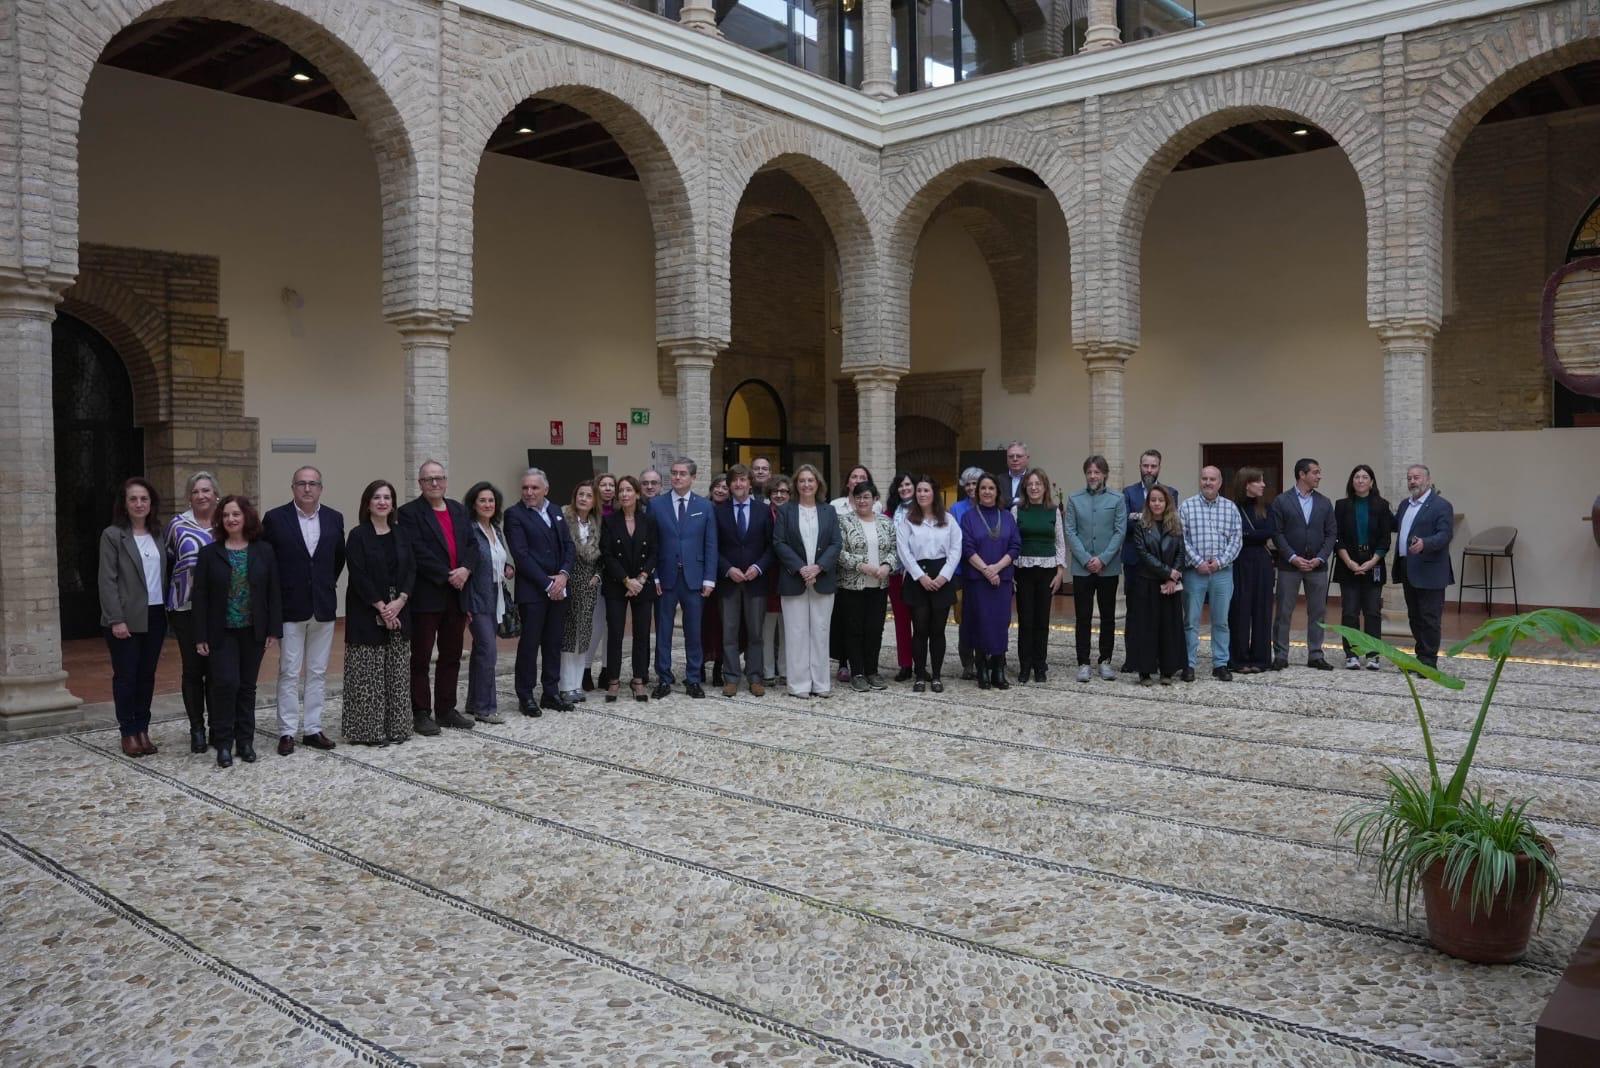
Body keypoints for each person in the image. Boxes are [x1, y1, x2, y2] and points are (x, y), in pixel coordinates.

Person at [191, 495, 281, 767]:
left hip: (253, 630)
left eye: (236, 514)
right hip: (222, 631)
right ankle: (224, 742)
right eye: (226, 515)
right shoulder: (209, 553)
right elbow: (200, 597)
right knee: (225, 684)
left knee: (247, 687)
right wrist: (200, 635)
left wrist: (273, 629)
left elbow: (273, 592)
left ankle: (245, 741)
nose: (231, 519)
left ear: (246, 518)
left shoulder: (263, 551)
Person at [261, 466, 344, 756]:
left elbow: (337, 559)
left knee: (318, 670)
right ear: (292, 488)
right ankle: (286, 731)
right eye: (301, 484)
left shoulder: (334, 518)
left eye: (313, 484)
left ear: (321, 488)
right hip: (289, 605)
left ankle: (312, 728)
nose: (307, 489)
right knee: (289, 670)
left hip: (322, 605)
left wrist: (323, 585)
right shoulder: (274, 519)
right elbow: (267, 561)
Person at [397, 459, 481, 731]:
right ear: (420, 483)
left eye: (439, 478)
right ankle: (420, 712)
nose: (434, 483)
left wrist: (466, 569)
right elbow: (417, 551)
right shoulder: (409, 513)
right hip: (427, 594)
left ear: (446, 481)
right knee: (420, 657)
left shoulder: (458, 509)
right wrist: (449, 574)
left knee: (451, 655)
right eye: (428, 479)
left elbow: (471, 544)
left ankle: (446, 708)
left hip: (457, 595)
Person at [99, 477, 168, 758]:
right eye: (133, 499)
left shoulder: (159, 533)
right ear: (125, 504)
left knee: (146, 676)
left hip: (155, 613)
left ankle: (143, 728)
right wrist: (116, 618)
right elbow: (107, 580)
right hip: (126, 616)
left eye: (144, 499)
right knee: (127, 676)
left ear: (151, 504)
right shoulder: (113, 535)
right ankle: (128, 731)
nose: (139, 504)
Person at [343, 480, 416, 746]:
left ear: (393, 504)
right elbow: (358, 573)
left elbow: (411, 570)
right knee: (368, 673)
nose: (382, 502)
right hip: (367, 609)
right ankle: (368, 731)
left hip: (400, 608)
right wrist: (381, 607)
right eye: (377, 497)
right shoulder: (358, 535)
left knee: (397, 671)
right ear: (367, 503)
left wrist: (401, 600)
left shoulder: (402, 533)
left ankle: (398, 728)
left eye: (387, 497)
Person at [505, 467, 575, 714]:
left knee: (553, 643)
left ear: (546, 489)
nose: (529, 492)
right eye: (525, 487)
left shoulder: (556, 511)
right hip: (533, 592)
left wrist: (564, 576)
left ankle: (551, 692)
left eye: (534, 487)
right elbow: (521, 555)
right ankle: (525, 695)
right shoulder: (514, 515)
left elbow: (568, 546)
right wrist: (548, 584)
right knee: (530, 645)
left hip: (559, 589)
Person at [650, 457, 718, 699]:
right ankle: (664, 678)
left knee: (694, 630)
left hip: (695, 578)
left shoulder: (704, 506)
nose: (677, 477)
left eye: (682, 474)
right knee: (664, 630)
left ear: (693, 478)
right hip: (665, 577)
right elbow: (652, 546)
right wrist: (654, 576)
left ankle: (693, 678)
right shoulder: (657, 505)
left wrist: (709, 578)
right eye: (674, 473)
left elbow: (711, 544)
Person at [773, 464, 841, 698]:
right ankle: (799, 684)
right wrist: (801, 568)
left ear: (818, 484)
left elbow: (836, 544)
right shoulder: (786, 511)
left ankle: (821, 684)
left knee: (821, 632)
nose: (806, 484)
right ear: (796, 485)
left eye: (810, 480)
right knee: (796, 632)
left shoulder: (828, 511)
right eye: (802, 480)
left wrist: (819, 567)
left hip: (822, 579)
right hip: (795, 578)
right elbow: (779, 542)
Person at [164, 471, 219, 753]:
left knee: (216, 670)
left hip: (219, 610)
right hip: (185, 608)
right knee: (193, 669)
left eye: (206, 490)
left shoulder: (226, 523)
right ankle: (196, 728)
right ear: (189, 496)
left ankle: (216, 728)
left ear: (215, 495)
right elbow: (168, 562)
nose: (201, 495)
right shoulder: (177, 525)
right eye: (196, 491)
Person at [1269, 457, 1337, 671]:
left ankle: (1316, 654)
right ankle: (1280, 655)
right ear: (1302, 474)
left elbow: (1331, 533)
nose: (1319, 476)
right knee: (1283, 611)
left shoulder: (1324, 502)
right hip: (1289, 566)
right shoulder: (1281, 501)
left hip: (1317, 567)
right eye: (1315, 472)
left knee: (1318, 612)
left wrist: (1320, 557)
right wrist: (1292, 557)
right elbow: (1277, 533)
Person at [895, 475, 961, 691]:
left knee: (937, 630)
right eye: (919, 491)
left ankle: (937, 676)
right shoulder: (908, 522)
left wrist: (944, 576)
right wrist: (920, 576)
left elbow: (955, 549)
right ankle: (921, 675)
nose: (922, 494)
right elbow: (903, 551)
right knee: (920, 629)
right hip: (918, 578)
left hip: (942, 575)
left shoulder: (949, 520)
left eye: (926, 490)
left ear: (934, 494)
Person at [1064, 455, 1126, 683]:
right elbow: (1069, 531)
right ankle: (1083, 662)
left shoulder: (1117, 499)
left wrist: (1103, 559)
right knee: (1083, 616)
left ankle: (1105, 660)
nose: (1093, 476)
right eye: (1089, 472)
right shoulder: (1074, 499)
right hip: (1082, 569)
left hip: (1108, 569)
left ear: (1105, 475)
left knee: (1108, 616)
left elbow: (1120, 531)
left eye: (1097, 472)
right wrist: (1085, 558)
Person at [1178, 465, 1242, 682]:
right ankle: (1188, 664)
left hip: (1222, 573)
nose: (1207, 482)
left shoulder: (1230, 508)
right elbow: (1181, 539)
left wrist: (1219, 562)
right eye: (1204, 478)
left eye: (1212, 479)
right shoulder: (1186, 507)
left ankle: (1220, 663)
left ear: (1220, 482)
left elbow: (1236, 540)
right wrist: (1198, 562)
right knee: (1191, 621)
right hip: (1194, 573)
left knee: (1221, 620)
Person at [715, 464, 773, 697]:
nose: (739, 484)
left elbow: (771, 545)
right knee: (729, 632)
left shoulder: (763, 510)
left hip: (755, 581)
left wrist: (758, 567)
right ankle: (731, 677)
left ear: (750, 483)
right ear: (729, 485)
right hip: (729, 582)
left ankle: (755, 676)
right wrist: (727, 569)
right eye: (734, 481)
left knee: (755, 633)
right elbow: (713, 547)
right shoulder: (718, 511)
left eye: (743, 480)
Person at [960, 473, 1021, 690]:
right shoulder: (968, 517)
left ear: (997, 492)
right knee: (980, 623)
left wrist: (996, 568)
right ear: (977, 492)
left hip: (1001, 580)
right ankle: (982, 669)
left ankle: (998, 668)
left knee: (999, 624)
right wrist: (986, 570)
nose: (987, 492)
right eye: (983, 488)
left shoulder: (1007, 517)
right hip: (977, 580)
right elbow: (967, 548)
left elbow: (1015, 546)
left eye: (991, 488)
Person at [1120, 450, 1178, 673]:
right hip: (1135, 563)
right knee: (1135, 613)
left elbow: (1170, 525)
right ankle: (1133, 659)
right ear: (1140, 466)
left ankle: (1158, 659)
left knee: (1161, 615)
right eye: (1145, 466)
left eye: (1153, 466)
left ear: (1159, 467)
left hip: (1162, 565)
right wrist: (1146, 519)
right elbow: (1125, 525)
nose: (1149, 470)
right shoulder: (1128, 493)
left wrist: (1139, 517)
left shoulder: (1170, 492)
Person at [1393, 463, 1455, 669]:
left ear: (1428, 480)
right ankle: (1421, 656)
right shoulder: (1404, 505)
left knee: (1429, 618)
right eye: (1409, 478)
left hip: (1430, 571)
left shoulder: (1441, 505)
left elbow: (1445, 535)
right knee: (1415, 616)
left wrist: (1425, 544)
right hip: (1408, 569)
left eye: (1417, 477)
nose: (1412, 481)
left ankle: (1429, 661)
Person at [601, 475, 657, 702]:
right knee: (615, 633)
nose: (624, 494)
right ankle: (613, 680)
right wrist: (627, 580)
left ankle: (638, 679)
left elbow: (655, 551)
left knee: (642, 634)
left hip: (643, 584)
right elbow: (607, 554)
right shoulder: (610, 521)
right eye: (620, 490)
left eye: (628, 490)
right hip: (617, 584)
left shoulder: (649, 521)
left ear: (636, 494)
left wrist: (641, 578)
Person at [838, 481, 897, 691]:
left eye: (866, 497)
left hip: (879, 585)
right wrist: (861, 565)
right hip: (852, 585)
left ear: (875, 500)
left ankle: (872, 670)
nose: (862, 501)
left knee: (874, 629)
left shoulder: (886, 522)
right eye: (858, 497)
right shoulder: (843, 522)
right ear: (853, 500)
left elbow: (894, 549)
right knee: (854, 630)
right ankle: (858, 672)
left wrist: (887, 566)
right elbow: (839, 552)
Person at [1125, 485, 1186, 686]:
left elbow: (1180, 552)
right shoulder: (1142, 525)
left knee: (1169, 627)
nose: (1157, 503)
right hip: (1147, 582)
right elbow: (1143, 555)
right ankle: (1145, 672)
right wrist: (1167, 572)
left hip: (1170, 586)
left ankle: (1167, 670)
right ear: (1148, 503)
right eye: (1153, 500)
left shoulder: (1175, 524)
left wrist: (1172, 578)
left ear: (1167, 502)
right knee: (1146, 628)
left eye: (1160, 500)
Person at [1333, 464, 1393, 670]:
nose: (1360, 480)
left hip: (1373, 564)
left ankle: (1373, 655)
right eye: (1356, 477)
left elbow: (1386, 539)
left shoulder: (1382, 505)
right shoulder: (1341, 505)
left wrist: (1372, 561)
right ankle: (1352, 654)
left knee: (1372, 612)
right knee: (1349, 612)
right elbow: (1336, 537)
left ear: (1372, 482)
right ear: (1352, 481)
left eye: (1364, 477)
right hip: (1347, 564)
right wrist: (1349, 562)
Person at [463, 481, 513, 723]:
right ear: (474, 503)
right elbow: (466, 567)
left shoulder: (496, 529)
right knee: (488, 651)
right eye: (482, 500)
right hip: (476, 596)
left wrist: (507, 568)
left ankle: (474, 702)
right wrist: (466, 604)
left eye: (491, 500)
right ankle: (486, 709)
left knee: (481, 651)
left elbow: (498, 560)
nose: (487, 504)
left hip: (496, 595)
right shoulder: (469, 530)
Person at [1012, 468, 1066, 684]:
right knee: (1025, 620)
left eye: (1038, 484)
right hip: (1023, 570)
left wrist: (1060, 571)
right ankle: (1024, 665)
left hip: (1047, 571)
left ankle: (1040, 665)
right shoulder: (1017, 511)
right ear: (1025, 487)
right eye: (1030, 484)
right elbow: (1012, 542)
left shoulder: (1054, 511)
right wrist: (1012, 572)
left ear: (1045, 487)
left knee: (1042, 620)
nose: (1034, 487)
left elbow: (1060, 542)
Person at [1227, 467, 1277, 674]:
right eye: (1259, 481)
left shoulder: (1266, 507)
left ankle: (1261, 658)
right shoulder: (1232, 507)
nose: (1263, 485)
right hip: (1239, 561)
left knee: (1262, 610)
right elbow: (1233, 534)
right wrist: (1254, 534)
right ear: (1247, 484)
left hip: (1262, 562)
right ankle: (1238, 659)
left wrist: (1248, 534)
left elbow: (1270, 531)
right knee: (1239, 610)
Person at [829, 465, 875, 683]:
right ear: (847, 482)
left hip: (870, 576)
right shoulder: (835, 506)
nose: (857, 480)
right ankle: (844, 662)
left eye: (862, 477)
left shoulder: (876, 507)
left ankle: (865, 664)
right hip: (841, 571)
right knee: (844, 620)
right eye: (854, 476)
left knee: (864, 621)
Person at [559, 481, 604, 704]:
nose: (584, 498)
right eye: (580, 494)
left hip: (589, 585)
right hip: (569, 581)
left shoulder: (597, 524)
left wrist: (598, 575)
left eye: (588, 495)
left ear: (594, 500)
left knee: (583, 634)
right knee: (568, 635)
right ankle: (565, 685)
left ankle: (576, 684)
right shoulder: (564, 520)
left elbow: (602, 556)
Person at [949, 466, 983, 680]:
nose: (971, 487)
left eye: (975, 483)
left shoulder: (990, 506)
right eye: (968, 484)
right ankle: (967, 663)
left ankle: (984, 658)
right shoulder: (956, 509)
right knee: (964, 618)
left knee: (982, 616)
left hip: (983, 572)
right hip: (961, 571)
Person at [760, 475, 792, 688]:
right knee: (767, 626)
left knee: (787, 626)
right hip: (766, 576)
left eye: (783, 492)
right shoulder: (762, 514)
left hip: (789, 575)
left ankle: (786, 670)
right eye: (775, 492)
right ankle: (767, 671)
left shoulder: (795, 513)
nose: (779, 495)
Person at [885, 472, 917, 682]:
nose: (904, 488)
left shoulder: (925, 509)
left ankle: (921, 663)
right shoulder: (889, 513)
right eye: (900, 485)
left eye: (908, 484)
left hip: (920, 573)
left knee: (922, 621)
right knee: (902, 621)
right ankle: (905, 664)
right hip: (896, 574)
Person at [702, 473, 731, 686]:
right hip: (703, 573)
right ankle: (699, 665)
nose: (721, 490)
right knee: (701, 623)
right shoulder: (702, 507)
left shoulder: (730, 511)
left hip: (725, 576)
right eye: (718, 486)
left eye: (725, 487)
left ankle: (719, 667)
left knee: (723, 624)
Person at [1000, 441, 1030, 507]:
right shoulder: (998, 480)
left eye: (1019, 456)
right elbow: (997, 502)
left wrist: (1008, 501)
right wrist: (1019, 500)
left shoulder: (1032, 479)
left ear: (1027, 459)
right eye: (1011, 456)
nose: (1015, 459)